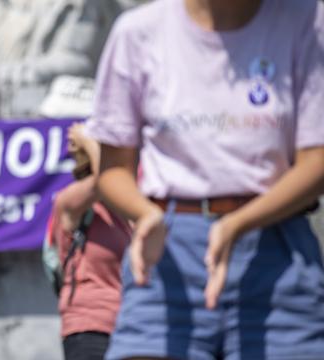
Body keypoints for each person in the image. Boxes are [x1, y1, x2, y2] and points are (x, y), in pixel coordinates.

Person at [84, 0, 324, 359]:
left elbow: (317, 161)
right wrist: (146, 214)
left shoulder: (308, 20)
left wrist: (238, 224)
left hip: (277, 253)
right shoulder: (136, 32)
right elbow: (114, 169)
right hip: (166, 254)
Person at [47, 123, 131, 360]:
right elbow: (103, 180)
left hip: (128, 327)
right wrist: (89, 142)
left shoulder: (124, 211)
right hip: (90, 327)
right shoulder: (69, 201)